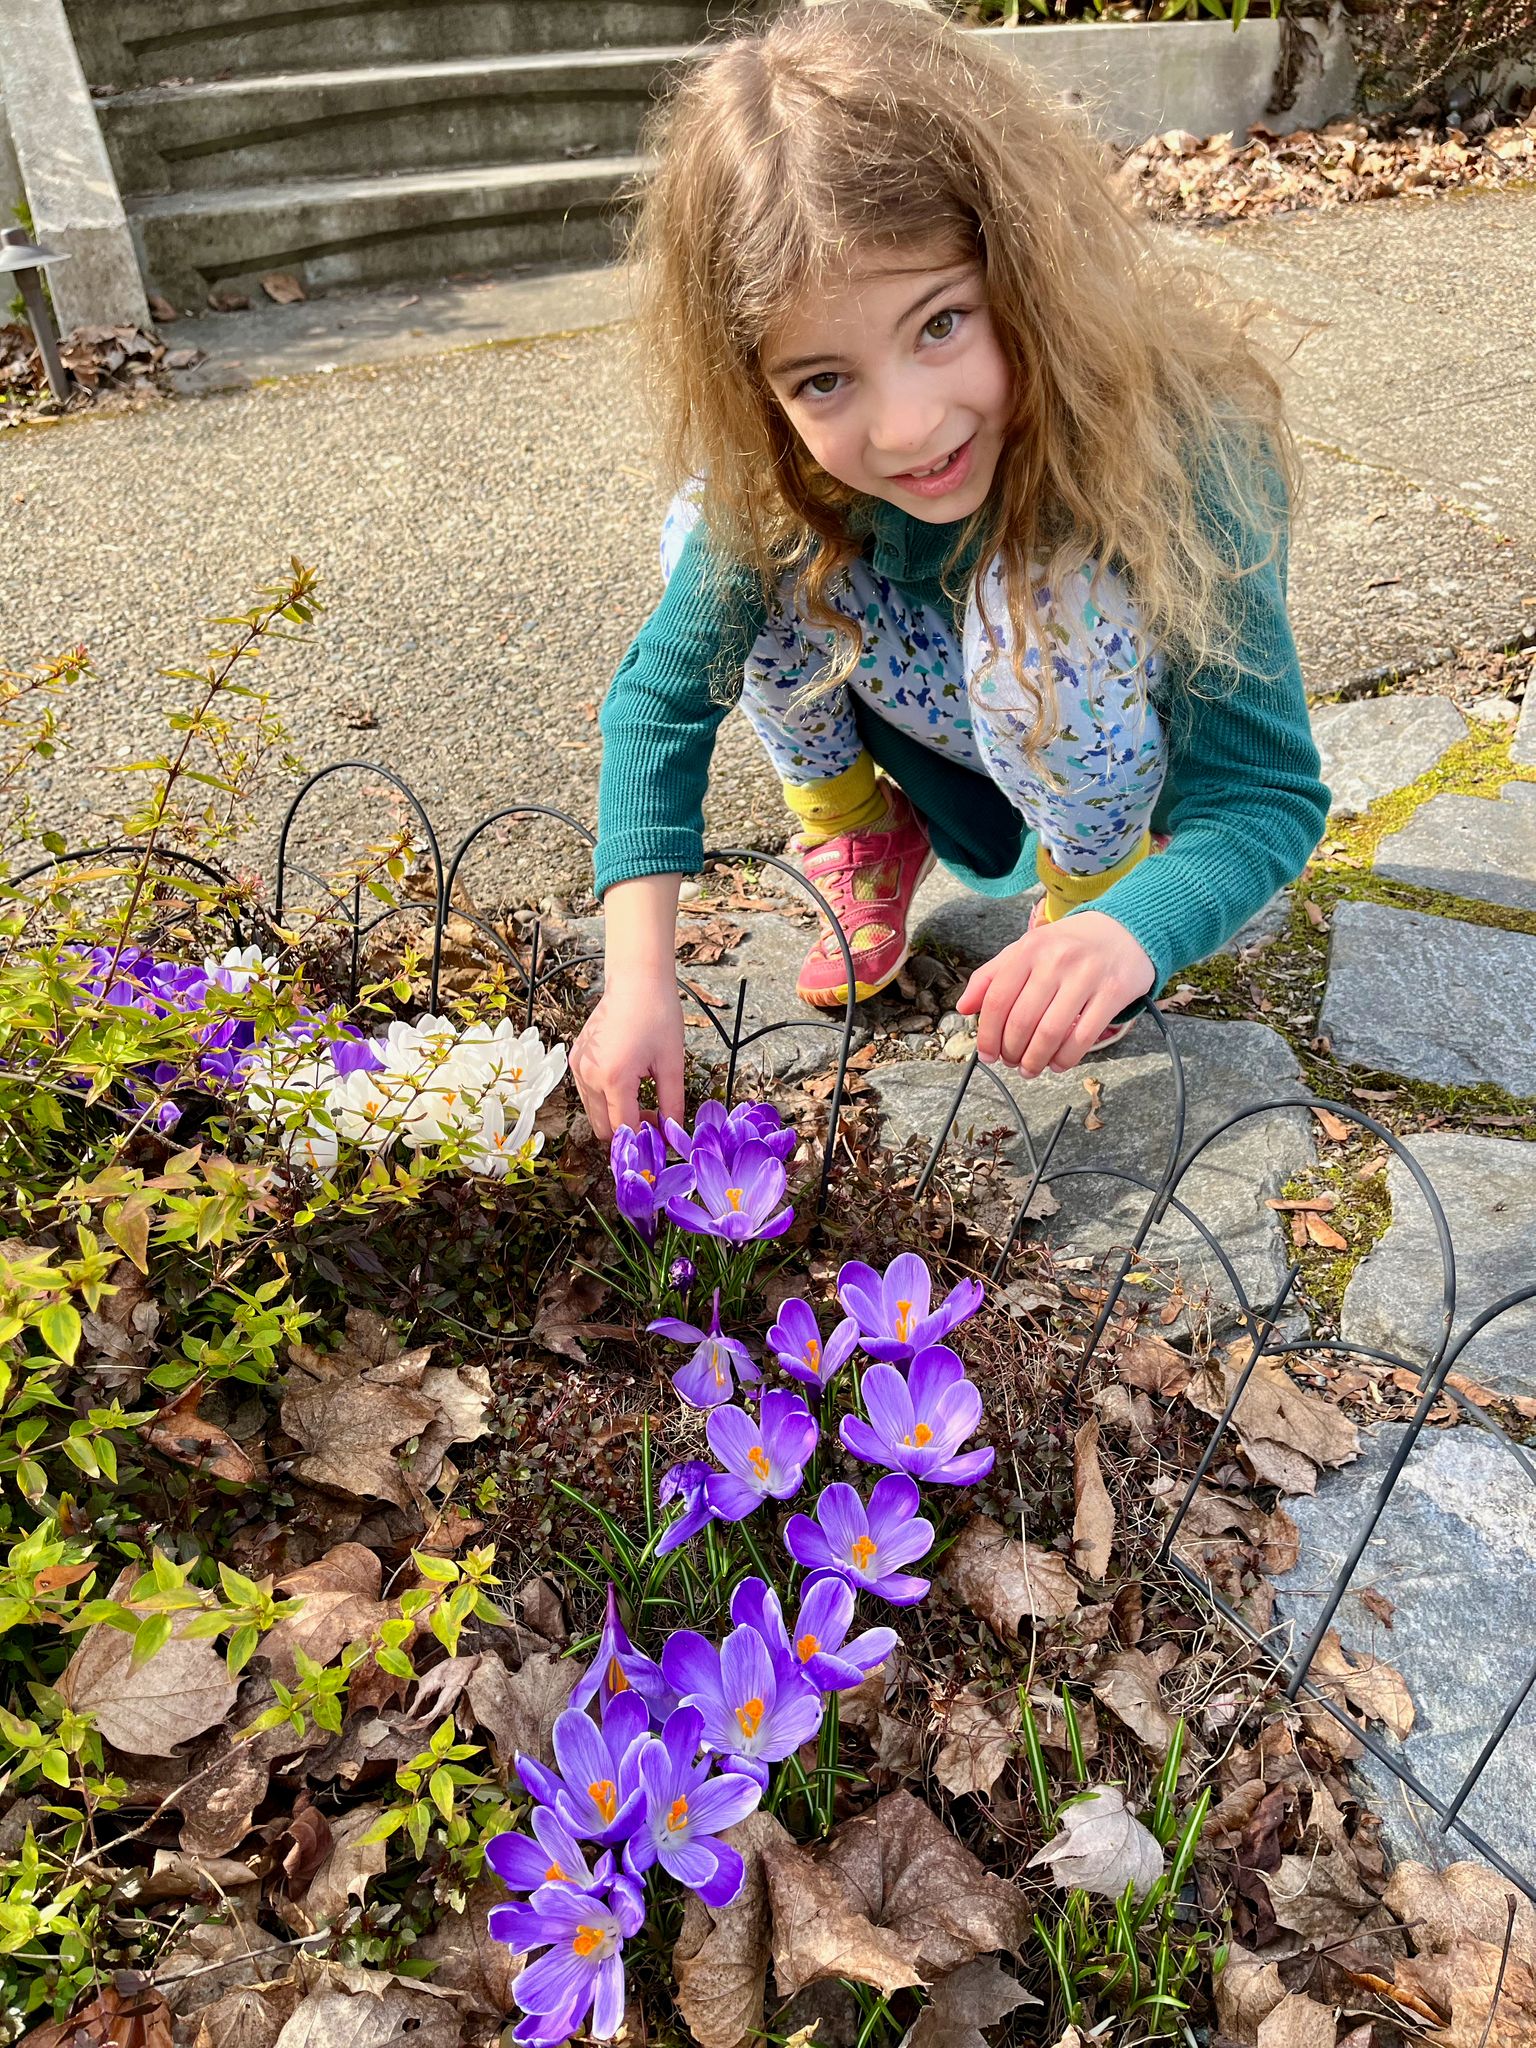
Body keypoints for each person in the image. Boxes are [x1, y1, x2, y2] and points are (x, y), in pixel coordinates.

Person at [571, 0, 1328, 1144]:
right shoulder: (788, 469)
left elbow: (1261, 794)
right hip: (929, 728)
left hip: (1091, 736)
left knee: (1049, 603)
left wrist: (1136, 930)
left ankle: (1090, 889)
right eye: (823, 379)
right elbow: (662, 698)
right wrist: (639, 980)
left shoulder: (1183, 449)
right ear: (758, 383)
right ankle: (861, 826)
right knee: (708, 530)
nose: (911, 426)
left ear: (1024, 266)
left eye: (941, 323)